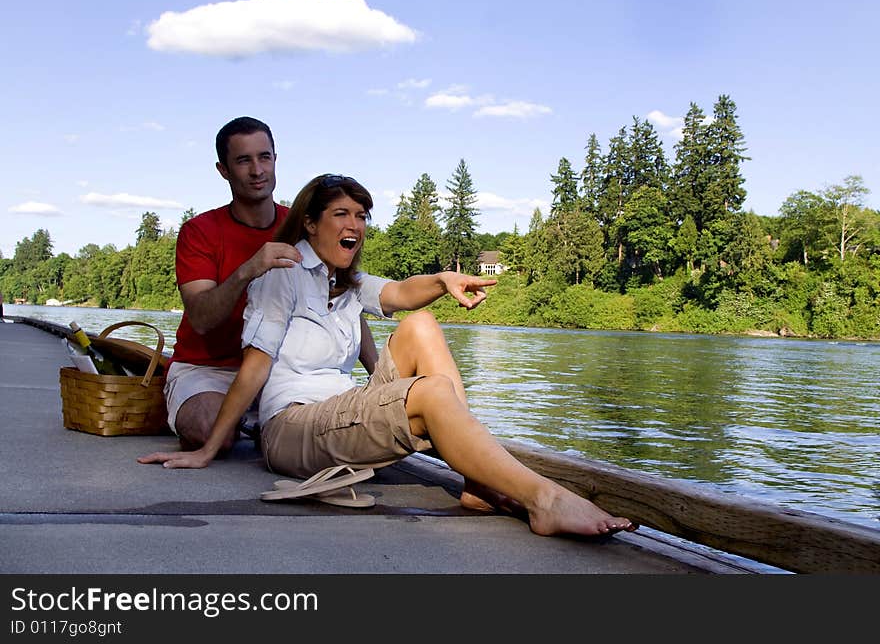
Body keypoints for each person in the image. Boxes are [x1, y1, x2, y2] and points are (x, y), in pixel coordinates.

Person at [141, 174, 636, 538]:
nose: (354, 224)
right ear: (310, 224)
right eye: (341, 214)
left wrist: (443, 281)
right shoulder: (282, 275)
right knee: (432, 393)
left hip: (340, 412)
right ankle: (543, 498)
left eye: (360, 215)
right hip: (292, 427)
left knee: (421, 325)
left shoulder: (348, 282)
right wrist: (208, 450)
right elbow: (254, 368)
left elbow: (401, 293)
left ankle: (477, 482)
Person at [165, 118, 378, 452]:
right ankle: (243, 422)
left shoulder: (303, 224)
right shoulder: (199, 231)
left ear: (276, 160)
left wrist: (377, 377)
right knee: (207, 430)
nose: (257, 170)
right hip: (208, 369)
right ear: (223, 170)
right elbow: (202, 318)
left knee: (350, 422)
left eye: (264, 157)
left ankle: (259, 422)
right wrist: (248, 269)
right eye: (243, 160)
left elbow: (341, 298)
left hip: (282, 370)